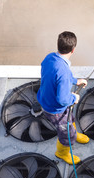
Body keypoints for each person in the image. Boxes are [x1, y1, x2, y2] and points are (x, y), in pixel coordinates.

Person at [37, 31, 89, 165]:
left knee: (70, 120)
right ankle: (62, 153)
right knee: (66, 134)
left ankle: (74, 133)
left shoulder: (50, 58)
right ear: (73, 50)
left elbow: (57, 77)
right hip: (55, 110)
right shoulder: (63, 72)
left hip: (45, 98)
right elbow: (62, 99)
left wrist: (75, 81)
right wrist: (74, 98)